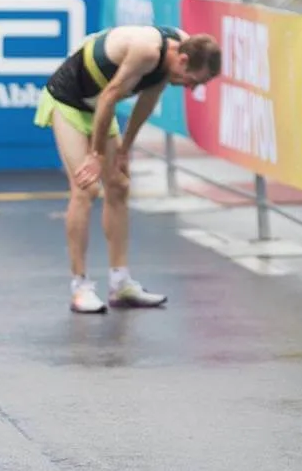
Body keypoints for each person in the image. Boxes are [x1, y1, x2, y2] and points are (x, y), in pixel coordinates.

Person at [33, 24, 220, 313]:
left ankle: (120, 283)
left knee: (119, 185)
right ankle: (79, 287)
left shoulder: (181, 48)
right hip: (69, 100)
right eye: (193, 80)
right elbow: (110, 96)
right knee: (86, 187)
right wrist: (95, 154)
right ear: (183, 61)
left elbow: (147, 99)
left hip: (98, 106)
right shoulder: (147, 51)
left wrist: (124, 149)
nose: (190, 87)